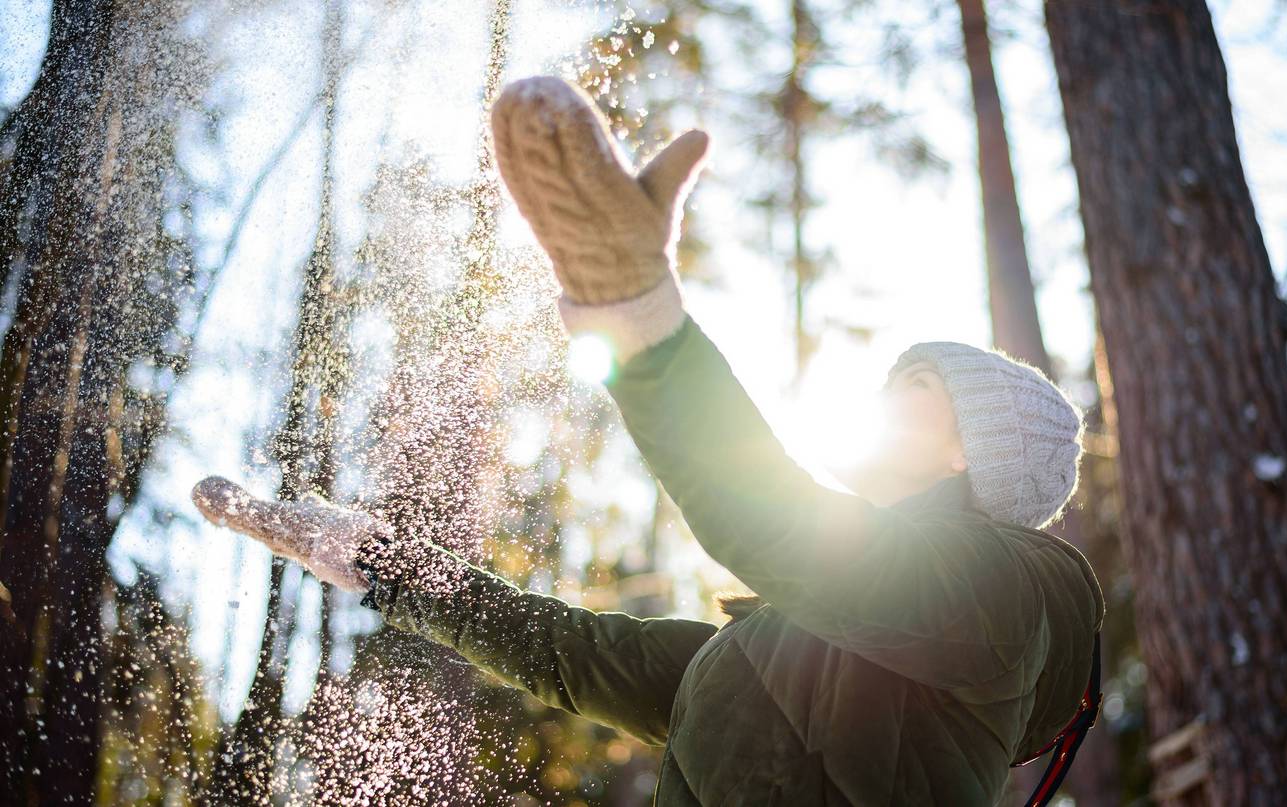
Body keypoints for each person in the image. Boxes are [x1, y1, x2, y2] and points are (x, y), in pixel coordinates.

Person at [192, 76, 1106, 806]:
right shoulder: (768, 646)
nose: (878, 399)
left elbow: (780, 528)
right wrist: (375, 558)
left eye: (912, 390)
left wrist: (636, 312)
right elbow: (562, 649)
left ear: (969, 456)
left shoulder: (999, 599)